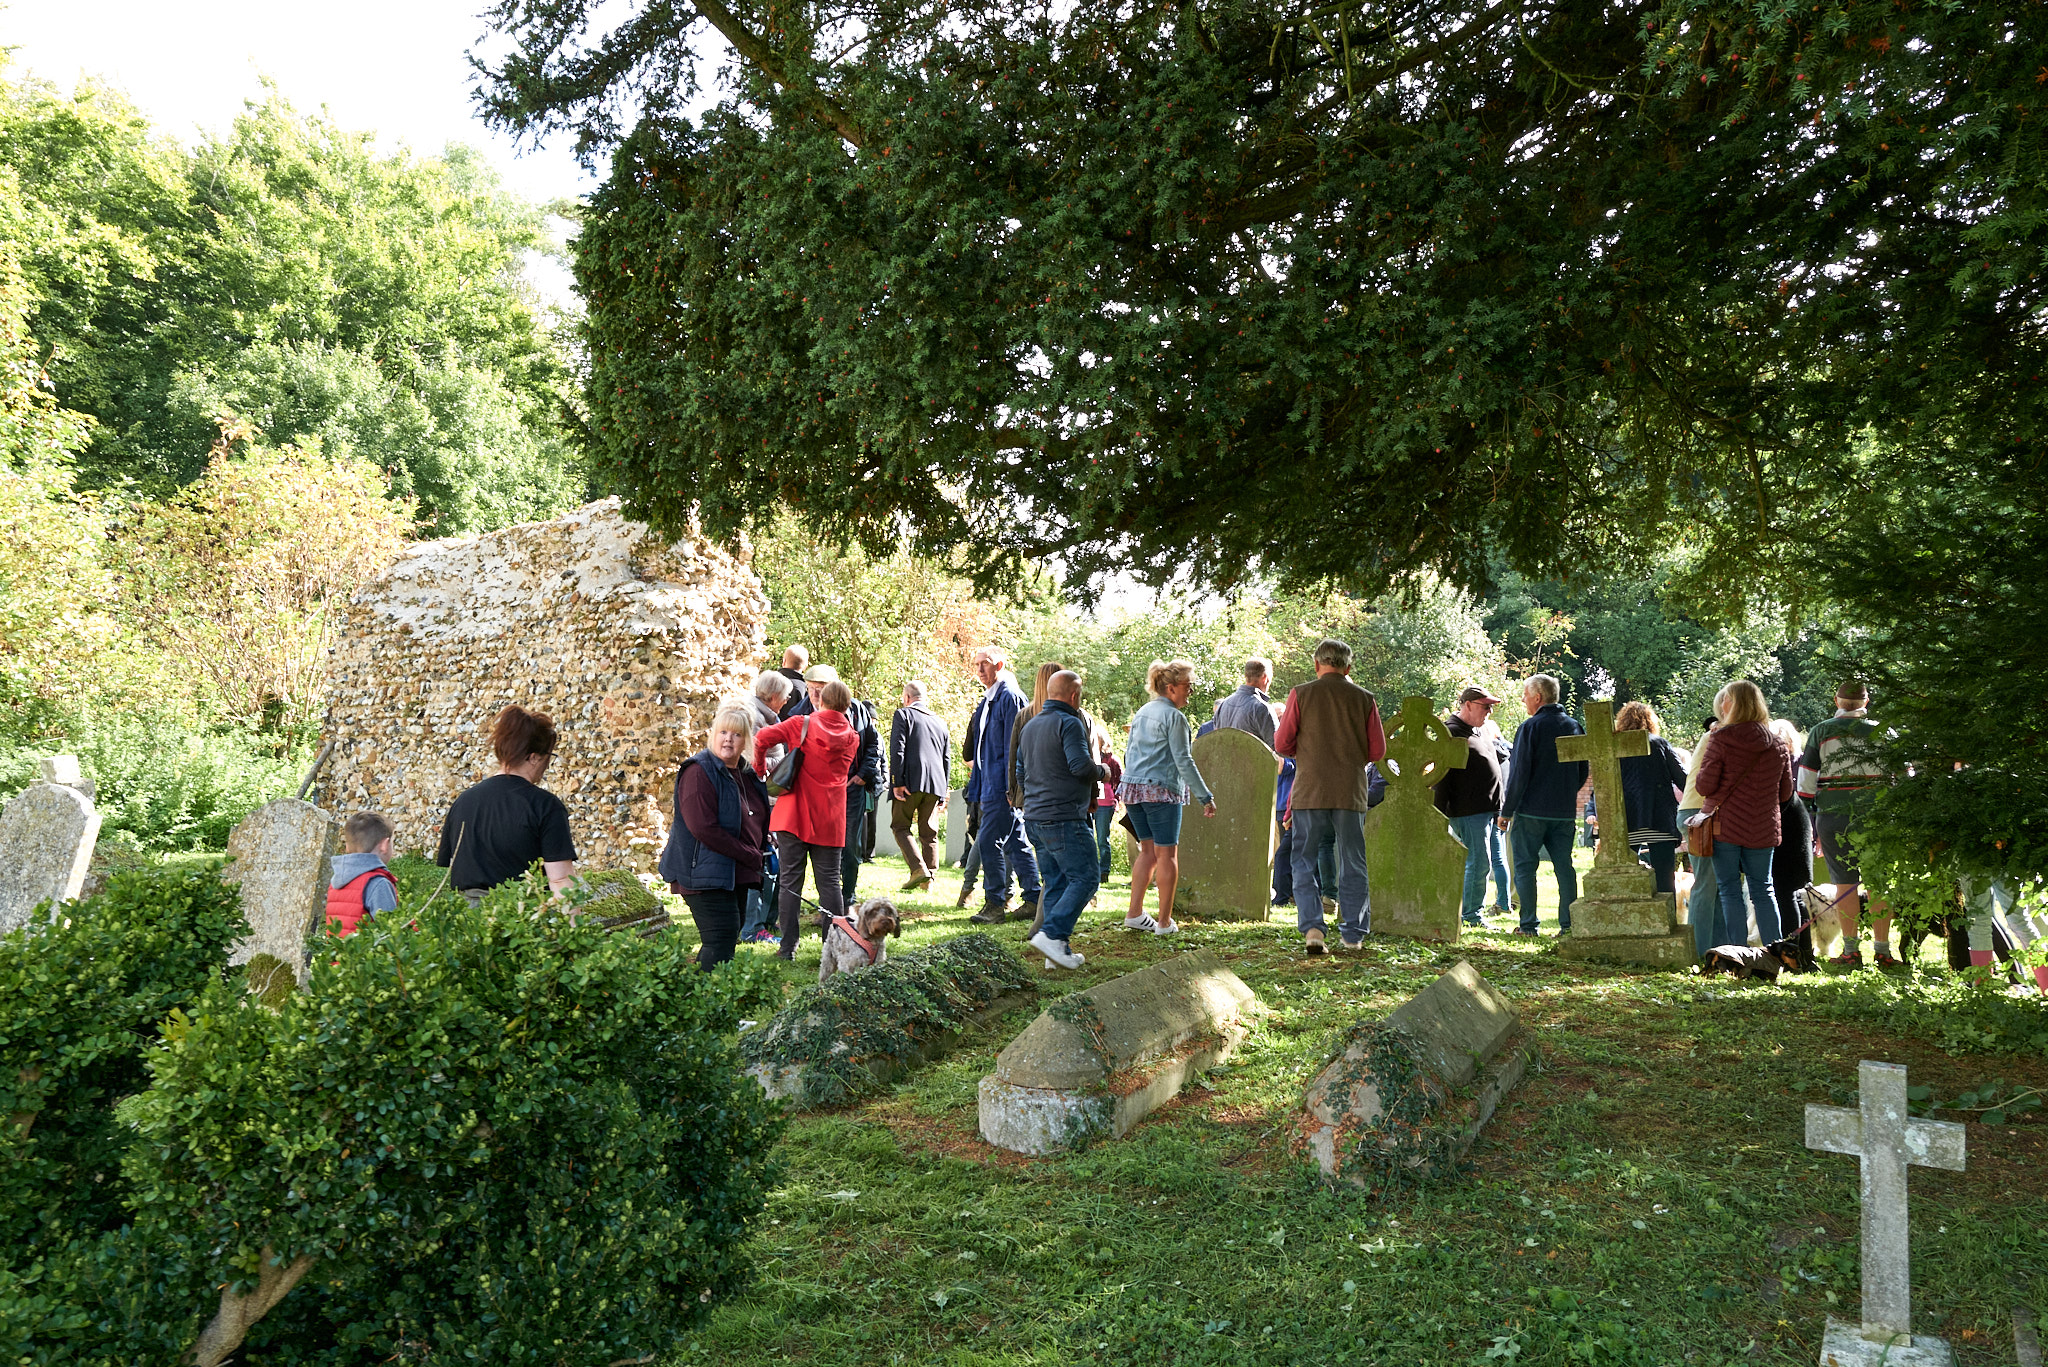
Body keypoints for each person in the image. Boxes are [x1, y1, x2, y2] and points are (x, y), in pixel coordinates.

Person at [1273, 638, 1385, 954]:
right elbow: (1377, 750)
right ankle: (1352, 935)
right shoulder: (1365, 699)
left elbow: (1282, 744)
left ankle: (1312, 929)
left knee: (1303, 860)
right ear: (1348, 667)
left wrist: (1307, 751)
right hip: (1350, 790)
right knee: (1353, 861)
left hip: (1310, 790)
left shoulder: (1301, 694)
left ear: (1316, 664)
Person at [753, 680, 862, 960]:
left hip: (794, 814)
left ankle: (788, 947)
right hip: (831, 817)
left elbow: (761, 739)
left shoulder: (801, 724)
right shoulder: (852, 737)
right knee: (829, 883)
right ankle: (833, 948)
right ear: (847, 705)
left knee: (790, 882)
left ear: (820, 701)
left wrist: (761, 768)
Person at [658, 705, 771, 970]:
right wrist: (748, 854)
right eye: (723, 732)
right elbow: (703, 828)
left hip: (734, 871)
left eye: (736, 734)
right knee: (720, 938)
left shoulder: (744, 772)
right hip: (702, 872)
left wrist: (763, 845)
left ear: (746, 740)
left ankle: (708, 997)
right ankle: (703, 1001)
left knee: (729, 935)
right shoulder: (699, 772)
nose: (728, 739)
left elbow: (752, 815)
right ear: (713, 735)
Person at [1014, 671, 1111, 969]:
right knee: (1086, 877)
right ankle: (1053, 935)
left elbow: (1020, 772)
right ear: (1074, 696)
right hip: (1065, 817)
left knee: (1055, 881)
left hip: (1035, 817)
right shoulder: (1069, 722)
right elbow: (1080, 766)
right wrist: (1104, 772)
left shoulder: (1030, 726)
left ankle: (1056, 955)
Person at [436, 705, 579, 903]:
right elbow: (561, 880)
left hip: (467, 923)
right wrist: (574, 931)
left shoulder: (463, 802)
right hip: (522, 920)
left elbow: (457, 869)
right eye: (548, 757)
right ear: (534, 757)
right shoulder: (545, 806)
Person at [1797, 681, 1893, 967]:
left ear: (1836, 700)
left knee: (1845, 884)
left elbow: (1805, 783)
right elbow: (1904, 776)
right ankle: (1883, 951)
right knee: (1880, 884)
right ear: (1867, 701)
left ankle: (1851, 951)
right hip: (1876, 816)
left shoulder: (1822, 731)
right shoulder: (1884, 732)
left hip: (1834, 817)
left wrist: (1812, 817)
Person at [1119, 658, 1216, 936]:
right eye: (1188, 686)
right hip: (1160, 791)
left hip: (1133, 789)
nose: (1190, 692)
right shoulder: (1174, 717)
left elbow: (1130, 754)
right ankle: (1164, 923)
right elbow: (1184, 761)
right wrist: (1205, 796)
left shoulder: (1143, 712)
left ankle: (1135, 913)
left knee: (1147, 852)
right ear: (1171, 688)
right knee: (1167, 855)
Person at [1695, 680, 1795, 947]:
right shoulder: (1777, 744)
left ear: (1733, 704)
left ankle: (1737, 952)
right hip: (1763, 826)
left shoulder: (1720, 739)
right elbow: (1786, 793)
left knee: (1729, 891)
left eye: (1726, 699)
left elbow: (1705, 786)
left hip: (1725, 826)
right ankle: (1775, 952)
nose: (1722, 703)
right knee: (1764, 889)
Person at [1498, 675, 1586, 937]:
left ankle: (1528, 926)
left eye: (1525, 694)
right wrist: (1567, 793)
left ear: (1538, 697)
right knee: (1564, 867)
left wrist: (1507, 810)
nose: (1523, 699)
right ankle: (1569, 926)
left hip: (1531, 811)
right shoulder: (1574, 726)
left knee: (1525, 867)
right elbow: (1582, 770)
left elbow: (1519, 772)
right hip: (1564, 812)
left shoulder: (1530, 727)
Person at [964, 646, 1041, 924]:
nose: (980, 670)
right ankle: (1033, 897)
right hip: (989, 784)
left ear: (1000, 664)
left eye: (984, 664)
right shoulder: (987, 700)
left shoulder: (1010, 697)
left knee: (987, 839)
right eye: (976, 665)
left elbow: (1016, 746)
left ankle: (995, 903)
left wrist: (1013, 787)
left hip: (1002, 786)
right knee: (1015, 841)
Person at [802, 665, 884, 901]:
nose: (816, 695)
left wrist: (863, 774)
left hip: (850, 791)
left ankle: (847, 896)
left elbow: (873, 744)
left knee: (849, 847)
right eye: (811, 689)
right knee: (818, 848)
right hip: (816, 793)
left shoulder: (857, 710)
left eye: (821, 689)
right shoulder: (801, 713)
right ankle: (827, 899)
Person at [1435, 687, 1506, 928]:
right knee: (1479, 862)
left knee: (1480, 861)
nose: (1490, 711)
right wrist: (1438, 813)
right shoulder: (1452, 733)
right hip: (1467, 810)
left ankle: (1471, 913)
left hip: (1485, 810)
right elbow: (1441, 776)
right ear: (1467, 705)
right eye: (1485, 706)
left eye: (1490, 706)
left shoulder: (1477, 730)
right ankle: (1471, 915)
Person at [1615, 701, 1688, 894]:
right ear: (1649, 721)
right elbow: (1683, 779)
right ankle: (1668, 922)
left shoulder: (1616, 748)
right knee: (1666, 881)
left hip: (1628, 821)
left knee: (1626, 878)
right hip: (1660, 819)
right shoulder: (1659, 744)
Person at [889, 679, 951, 890]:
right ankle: (929, 881)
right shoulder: (940, 721)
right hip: (936, 783)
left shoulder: (903, 714)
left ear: (907, 698)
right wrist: (943, 790)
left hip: (910, 782)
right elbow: (946, 758)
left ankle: (918, 869)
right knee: (929, 832)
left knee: (900, 826)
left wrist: (897, 781)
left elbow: (898, 748)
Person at [1767, 718, 1815, 955]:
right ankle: (1803, 954)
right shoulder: (1790, 764)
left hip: (1790, 831)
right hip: (1795, 827)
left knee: (1787, 894)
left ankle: (1795, 954)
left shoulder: (1781, 766)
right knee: (1793, 896)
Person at [1680, 716, 1722, 960]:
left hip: (1700, 811)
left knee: (1717, 888)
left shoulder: (1718, 735)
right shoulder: (1716, 736)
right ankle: (1697, 953)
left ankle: (1719, 950)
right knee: (1706, 887)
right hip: (1698, 813)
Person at [326, 811, 400, 937]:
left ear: (348, 847)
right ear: (385, 845)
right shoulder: (378, 883)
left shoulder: (337, 880)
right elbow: (391, 935)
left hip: (339, 955)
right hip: (367, 956)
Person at [1212, 657, 1277, 748]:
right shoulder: (1262, 708)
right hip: (1254, 761)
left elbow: (1217, 741)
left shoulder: (1223, 705)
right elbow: (1278, 750)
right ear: (1265, 678)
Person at [1089, 717, 1122, 882]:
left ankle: (1104, 872)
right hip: (1089, 801)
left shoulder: (1112, 760)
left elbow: (1119, 781)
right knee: (1088, 838)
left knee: (1102, 839)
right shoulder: (1088, 755)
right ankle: (1091, 870)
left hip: (1105, 804)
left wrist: (1116, 800)